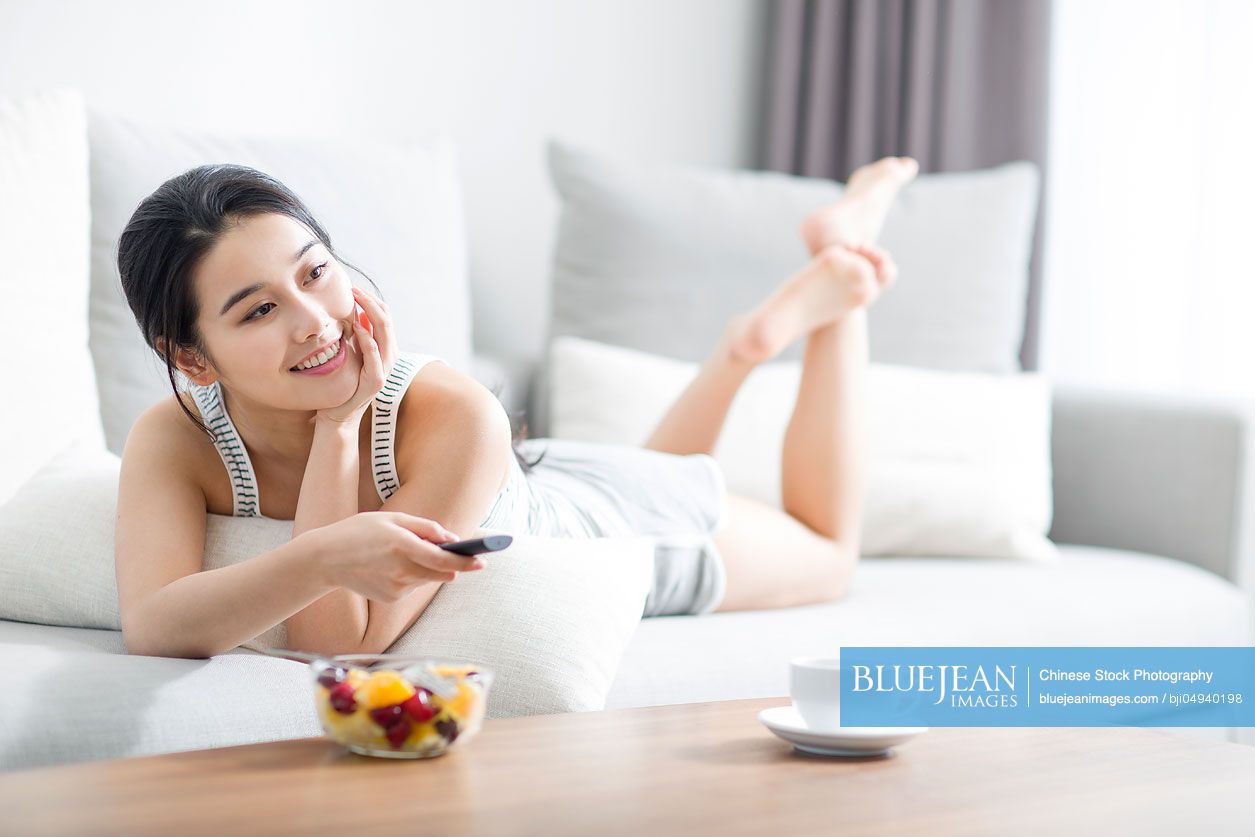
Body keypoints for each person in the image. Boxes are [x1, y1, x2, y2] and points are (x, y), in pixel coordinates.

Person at [114, 156, 918, 659]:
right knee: (662, 469)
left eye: (315, 271)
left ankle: (842, 283)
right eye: (257, 311)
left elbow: (339, 640)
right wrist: (335, 436)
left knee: (830, 552)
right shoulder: (175, 437)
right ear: (189, 356)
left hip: (588, 523)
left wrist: (340, 424)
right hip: (536, 475)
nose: (315, 320)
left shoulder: (453, 412)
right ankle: (742, 345)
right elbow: (153, 624)